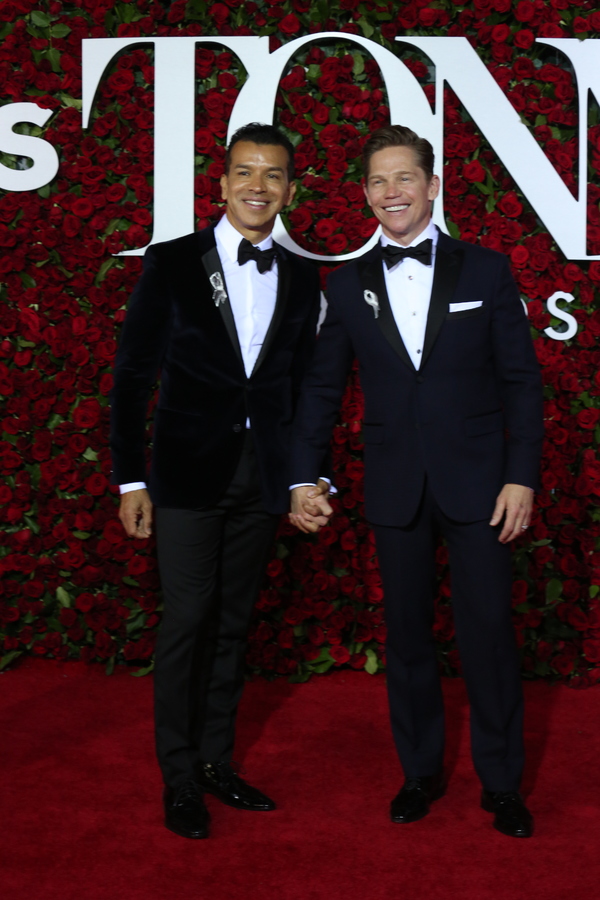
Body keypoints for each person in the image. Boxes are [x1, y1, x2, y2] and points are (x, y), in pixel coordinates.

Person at [290, 125, 544, 838]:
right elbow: (320, 389)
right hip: (395, 486)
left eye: (404, 177)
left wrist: (520, 479)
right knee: (405, 639)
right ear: (366, 194)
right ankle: (420, 773)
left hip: (481, 486)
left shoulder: (487, 271)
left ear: (433, 186)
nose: (391, 191)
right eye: (377, 181)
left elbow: (522, 384)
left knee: (489, 634)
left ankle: (501, 784)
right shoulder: (345, 286)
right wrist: (300, 476)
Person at [111, 123, 326, 840]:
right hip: (184, 473)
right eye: (245, 173)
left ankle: (215, 763)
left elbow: (296, 390)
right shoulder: (172, 262)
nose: (257, 187)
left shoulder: (302, 276)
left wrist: (303, 480)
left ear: (290, 191)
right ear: (224, 181)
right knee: (188, 620)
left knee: (233, 626)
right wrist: (127, 481)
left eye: (272, 176)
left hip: (260, 477)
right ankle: (178, 777)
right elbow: (133, 376)